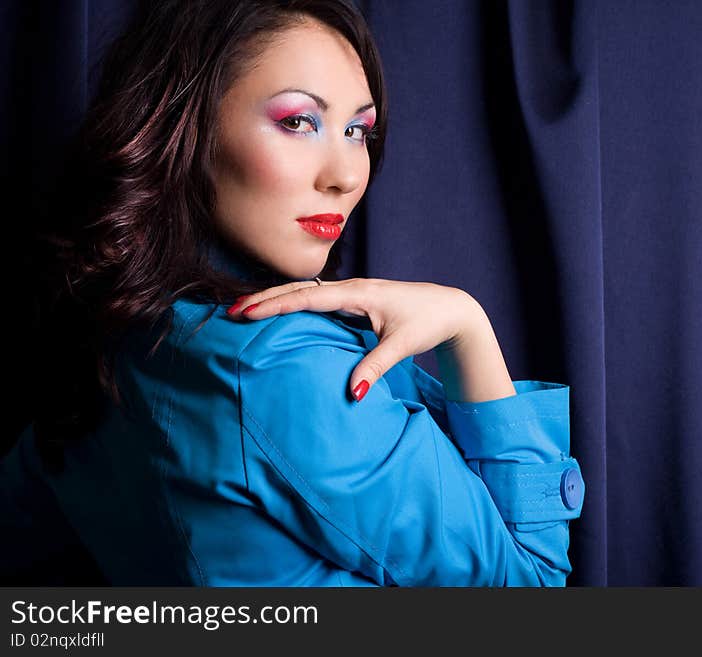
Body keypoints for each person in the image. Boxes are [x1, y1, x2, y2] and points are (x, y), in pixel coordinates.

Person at [1, 0, 584, 586]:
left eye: (358, 130)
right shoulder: (282, 367)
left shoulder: (107, 328)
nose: (348, 174)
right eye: (298, 121)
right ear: (187, 124)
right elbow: (531, 588)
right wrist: (467, 328)